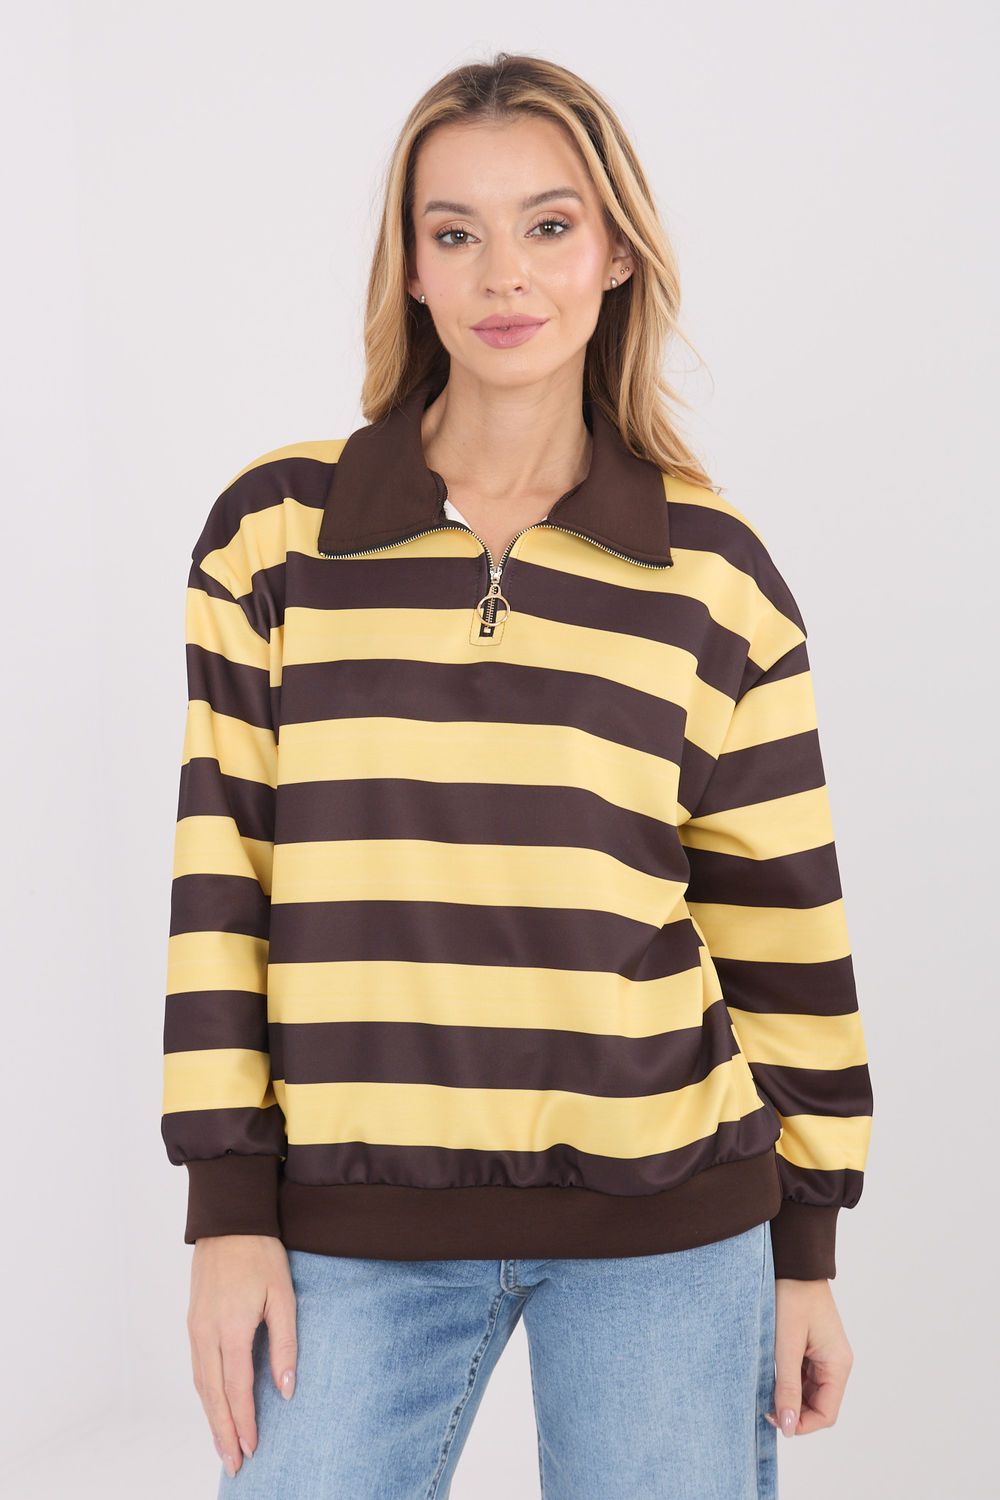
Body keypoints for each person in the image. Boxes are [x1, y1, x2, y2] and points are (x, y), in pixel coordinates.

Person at [162, 52, 874, 1498]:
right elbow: (222, 880)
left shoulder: (713, 573)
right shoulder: (277, 536)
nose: (505, 273)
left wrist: (805, 1250)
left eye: (549, 225)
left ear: (615, 253)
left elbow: (781, 926)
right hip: (349, 1217)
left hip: (672, 1219)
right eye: (456, 231)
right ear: (412, 267)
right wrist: (228, 1211)